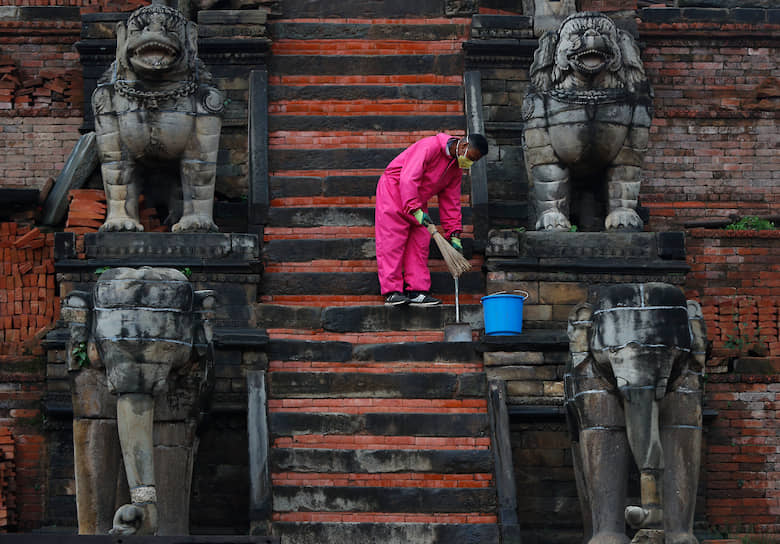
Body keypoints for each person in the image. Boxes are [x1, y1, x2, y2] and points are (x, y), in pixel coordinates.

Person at [375, 132, 489, 306]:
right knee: (392, 241)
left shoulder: (455, 168)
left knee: (420, 242)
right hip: (394, 190)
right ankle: (393, 292)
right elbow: (408, 177)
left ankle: (417, 291)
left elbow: (451, 201)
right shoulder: (429, 147)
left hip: (417, 199)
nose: (470, 163)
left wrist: (454, 233)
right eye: (471, 157)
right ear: (464, 146)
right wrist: (414, 208)